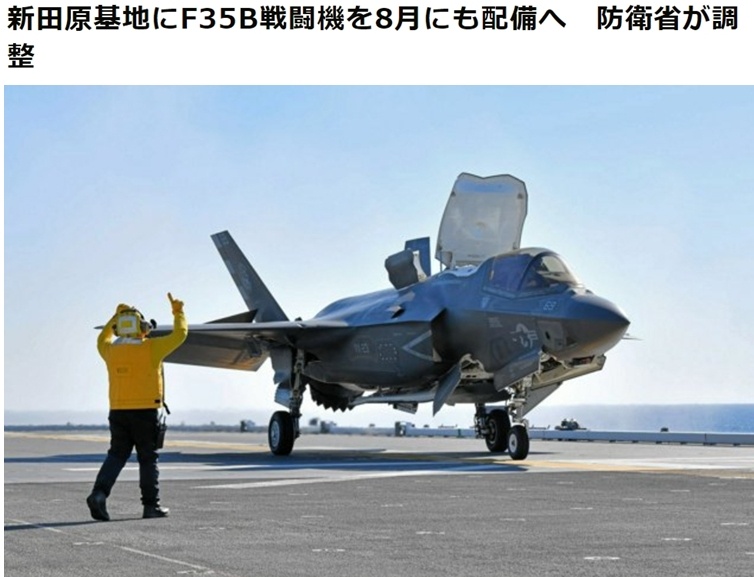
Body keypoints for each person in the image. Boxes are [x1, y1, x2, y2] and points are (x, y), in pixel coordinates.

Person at [87, 293, 188, 521]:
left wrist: (116, 317)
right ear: (143, 327)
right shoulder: (152, 348)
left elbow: (102, 337)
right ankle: (151, 506)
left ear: (118, 328)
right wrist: (178, 311)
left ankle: (99, 494)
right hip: (145, 412)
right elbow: (180, 334)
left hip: (118, 412)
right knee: (148, 459)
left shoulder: (109, 350)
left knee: (116, 455)